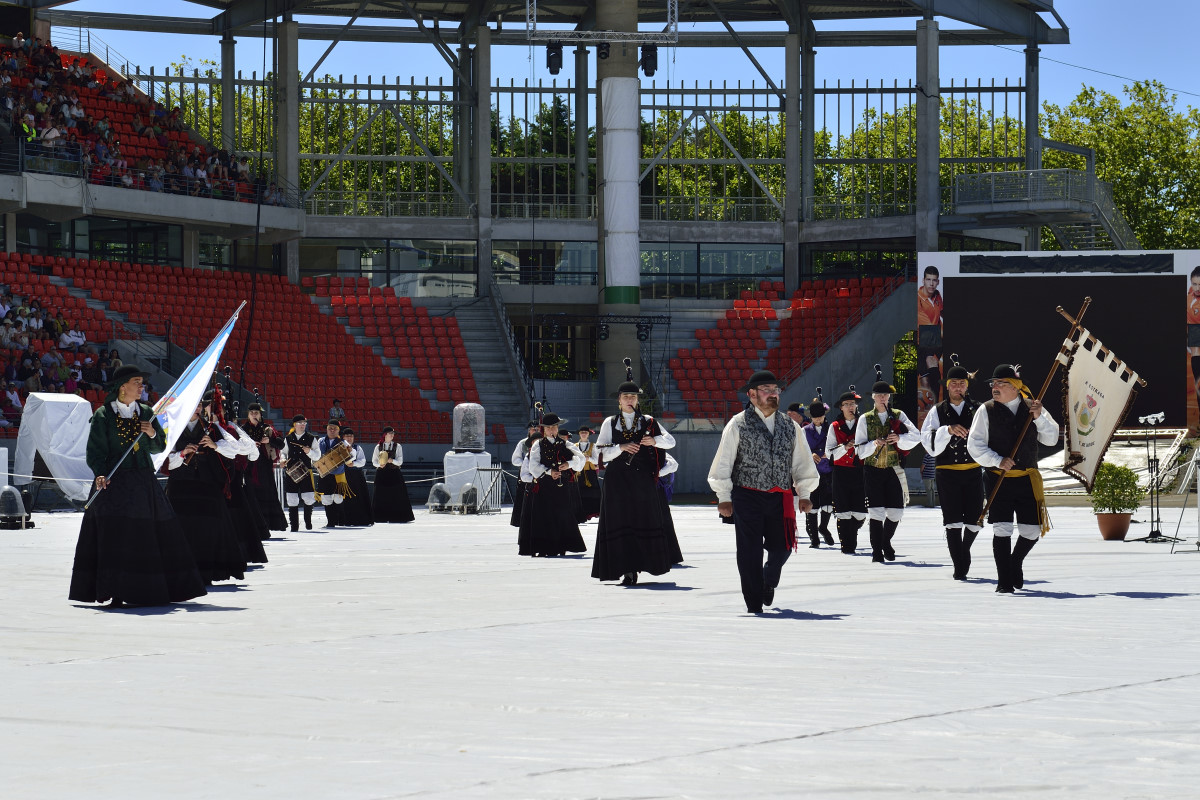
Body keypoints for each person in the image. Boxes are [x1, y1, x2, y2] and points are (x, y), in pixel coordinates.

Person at [68, 365, 206, 608]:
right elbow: (95, 451)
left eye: (142, 383)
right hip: (113, 482)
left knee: (146, 535)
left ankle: (147, 587)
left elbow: (159, 446)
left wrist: (152, 433)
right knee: (115, 536)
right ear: (123, 387)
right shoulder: (103, 415)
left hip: (142, 483)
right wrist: (100, 473)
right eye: (138, 382)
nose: (142, 387)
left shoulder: (145, 412)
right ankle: (115, 591)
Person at [708, 370, 820, 614]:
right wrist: (724, 497)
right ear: (751, 395)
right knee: (749, 550)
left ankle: (768, 580)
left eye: (775, 390)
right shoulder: (737, 424)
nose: (773, 394)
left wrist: (805, 493)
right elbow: (723, 463)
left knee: (784, 547)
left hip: (780, 496)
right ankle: (754, 603)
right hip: (746, 495)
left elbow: (801, 462)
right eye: (766, 390)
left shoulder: (790, 426)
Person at [967, 364, 1058, 594]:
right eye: (993, 384)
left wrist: (1039, 418)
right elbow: (975, 445)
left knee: (1031, 531)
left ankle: (1015, 561)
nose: (994, 388)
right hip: (999, 478)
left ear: (1016, 387)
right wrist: (997, 460)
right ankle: (1004, 581)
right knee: (1002, 528)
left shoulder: (1033, 407)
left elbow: (1051, 439)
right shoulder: (985, 410)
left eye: (1001, 384)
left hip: (1027, 479)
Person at [592, 377, 679, 585]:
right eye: (625, 396)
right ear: (619, 401)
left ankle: (644, 564)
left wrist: (654, 440)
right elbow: (598, 454)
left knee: (642, 520)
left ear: (637, 400)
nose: (629, 399)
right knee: (619, 521)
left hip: (642, 480)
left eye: (633, 396)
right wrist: (620, 448)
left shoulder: (648, 421)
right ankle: (626, 570)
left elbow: (671, 442)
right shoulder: (610, 422)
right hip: (617, 480)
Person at [166, 401, 248, 585]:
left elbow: (235, 449)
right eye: (192, 405)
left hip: (207, 485)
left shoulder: (213, 428)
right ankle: (181, 571)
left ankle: (207, 572)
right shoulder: (173, 428)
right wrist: (182, 453)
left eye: (198, 406)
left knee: (208, 528)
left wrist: (215, 444)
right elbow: (163, 459)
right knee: (181, 527)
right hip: (181, 485)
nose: (195, 409)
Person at [920, 359, 985, 580]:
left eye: (962, 383)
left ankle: (963, 552)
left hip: (974, 471)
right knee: (952, 520)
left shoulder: (979, 409)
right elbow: (927, 442)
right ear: (947, 385)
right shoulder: (937, 411)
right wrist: (947, 430)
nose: (958, 387)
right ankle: (960, 566)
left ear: (967, 385)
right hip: (947, 472)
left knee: (975, 520)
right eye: (954, 383)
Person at [854, 376, 921, 563]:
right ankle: (877, 552)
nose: (883, 398)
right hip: (873, 469)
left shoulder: (899, 415)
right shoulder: (865, 419)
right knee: (876, 512)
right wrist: (874, 444)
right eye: (880, 395)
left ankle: (885, 542)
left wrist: (900, 439)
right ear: (873, 397)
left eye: (886, 395)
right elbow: (859, 450)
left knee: (896, 512)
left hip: (893, 469)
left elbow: (917, 436)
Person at [521, 412, 587, 558]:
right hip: (544, 486)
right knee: (543, 516)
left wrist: (568, 464)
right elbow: (533, 466)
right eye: (548, 428)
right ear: (543, 429)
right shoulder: (538, 444)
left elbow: (581, 460)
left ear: (557, 428)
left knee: (561, 515)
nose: (551, 430)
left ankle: (561, 546)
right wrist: (550, 472)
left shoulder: (566, 444)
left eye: (554, 427)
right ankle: (544, 547)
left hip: (561, 487)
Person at [826, 388, 867, 554]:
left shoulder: (863, 423)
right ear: (841, 408)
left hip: (860, 471)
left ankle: (852, 533)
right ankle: (847, 547)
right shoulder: (834, 426)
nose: (851, 407)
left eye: (853, 404)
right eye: (847, 404)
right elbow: (829, 452)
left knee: (859, 513)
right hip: (841, 472)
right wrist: (844, 447)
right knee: (842, 510)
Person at [240, 402, 287, 531]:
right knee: (251, 494)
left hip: (265, 465)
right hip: (248, 466)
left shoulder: (268, 429)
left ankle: (269, 523)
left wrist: (269, 440)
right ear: (248, 415)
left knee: (267, 492)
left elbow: (281, 445)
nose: (254, 415)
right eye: (251, 413)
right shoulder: (242, 430)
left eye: (256, 413)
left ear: (260, 415)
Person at [803, 398, 835, 548]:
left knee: (828, 504)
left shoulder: (832, 429)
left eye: (820, 417)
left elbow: (836, 446)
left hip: (828, 471)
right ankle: (814, 538)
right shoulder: (804, 431)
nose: (817, 420)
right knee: (813, 504)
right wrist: (811, 454)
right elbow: (800, 450)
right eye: (815, 417)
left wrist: (828, 453)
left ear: (824, 416)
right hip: (812, 473)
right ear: (811, 417)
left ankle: (823, 527)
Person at [282, 414, 320, 531]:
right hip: (291, 472)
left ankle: (308, 524)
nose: (302, 425)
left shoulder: (311, 438)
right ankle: (294, 526)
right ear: (295, 425)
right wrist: (282, 459)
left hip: (306, 471)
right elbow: (283, 452)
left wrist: (309, 452)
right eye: (300, 423)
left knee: (308, 498)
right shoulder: (288, 438)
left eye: (304, 423)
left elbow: (318, 455)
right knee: (292, 498)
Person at [371, 425, 415, 523]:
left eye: (393, 434)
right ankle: (380, 517)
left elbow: (400, 461)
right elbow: (373, 461)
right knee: (381, 495)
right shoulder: (378, 447)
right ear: (385, 435)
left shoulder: (398, 446)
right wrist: (379, 465)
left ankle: (398, 516)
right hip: (382, 474)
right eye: (390, 433)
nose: (392, 435)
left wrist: (392, 461)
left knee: (397, 495)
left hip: (394, 474)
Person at [336, 428, 374, 526]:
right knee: (343, 499)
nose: (349, 438)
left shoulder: (358, 448)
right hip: (343, 475)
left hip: (356, 476)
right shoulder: (338, 448)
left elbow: (363, 461)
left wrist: (354, 464)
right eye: (347, 436)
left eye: (351, 436)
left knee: (359, 498)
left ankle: (360, 519)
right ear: (343, 437)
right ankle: (343, 520)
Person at [315, 419, 349, 528]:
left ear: (339, 431)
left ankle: (342, 521)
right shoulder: (320, 441)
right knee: (326, 499)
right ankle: (330, 522)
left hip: (338, 474)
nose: (332, 430)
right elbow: (315, 454)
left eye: (335, 429)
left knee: (338, 498)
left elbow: (351, 454)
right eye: (330, 428)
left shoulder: (343, 442)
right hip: (324, 474)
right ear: (326, 429)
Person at [509, 420, 540, 529]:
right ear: (529, 431)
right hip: (525, 473)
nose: (535, 431)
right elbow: (515, 459)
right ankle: (520, 520)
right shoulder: (523, 443)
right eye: (533, 429)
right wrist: (526, 464)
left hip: (539, 474)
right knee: (523, 497)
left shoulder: (543, 442)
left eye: (537, 429)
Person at [574, 425, 601, 520]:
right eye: (582, 433)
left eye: (585, 432)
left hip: (590, 473)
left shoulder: (593, 446)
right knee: (580, 493)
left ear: (588, 434)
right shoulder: (575, 446)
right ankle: (582, 512)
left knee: (592, 493)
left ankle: (593, 512)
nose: (584, 434)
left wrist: (588, 458)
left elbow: (596, 460)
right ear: (579, 434)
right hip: (579, 473)